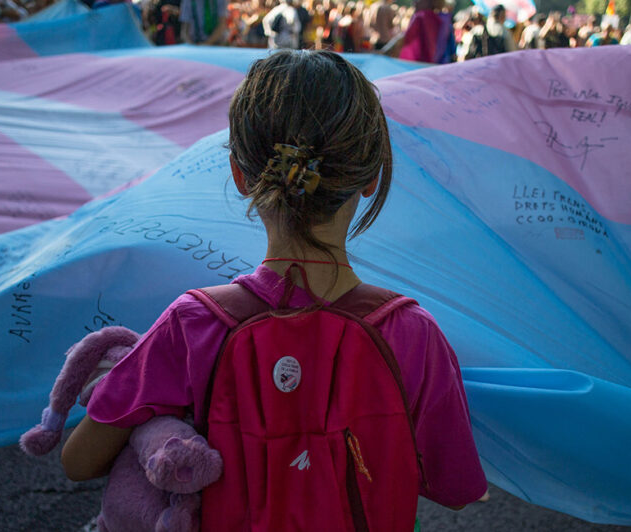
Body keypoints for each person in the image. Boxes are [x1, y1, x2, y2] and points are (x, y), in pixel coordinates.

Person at [61, 49, 489, 526]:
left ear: (242, 176)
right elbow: (457, 487)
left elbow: (78, 461)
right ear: (368, 179)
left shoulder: (194, 323)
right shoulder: (413, 333)